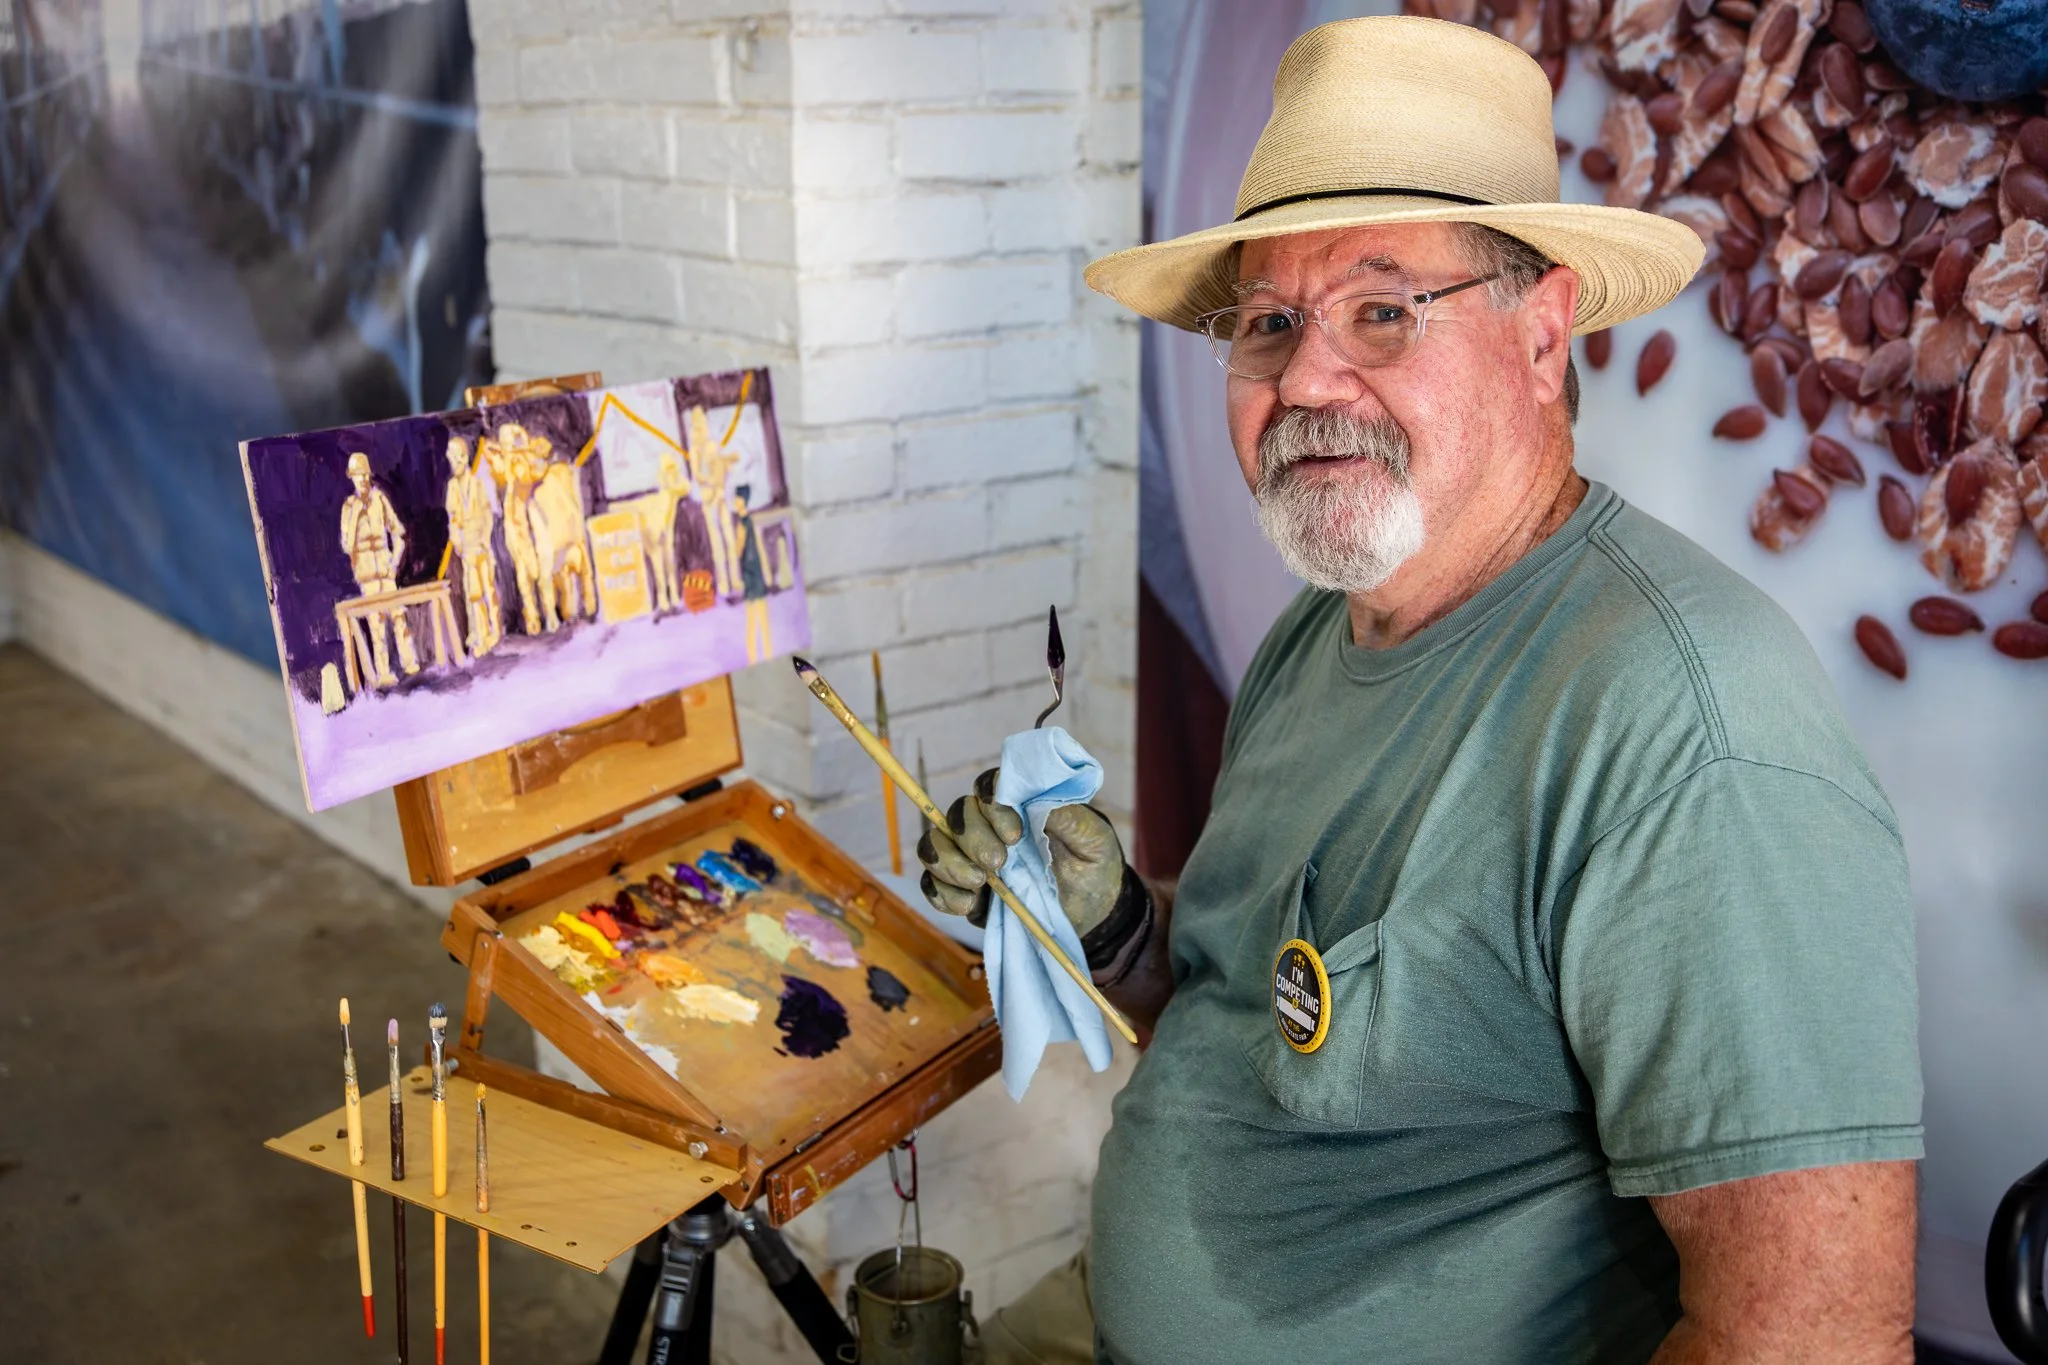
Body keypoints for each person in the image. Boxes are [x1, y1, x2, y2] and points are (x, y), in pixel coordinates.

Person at [919, 17, 1922, 1365]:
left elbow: (1812, 1343)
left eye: (1383, 310)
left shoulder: (1685, 726)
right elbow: (1252, 1014)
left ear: (1544, 334)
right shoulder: (1318, 635)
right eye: (1267, 323)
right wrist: (1110, 928)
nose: (1307, 379)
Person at [339, 450, 419, 687]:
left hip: (385, 571)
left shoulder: (380, 499)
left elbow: (399, 533)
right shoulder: (349, 507)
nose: (362, 479)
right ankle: (384, 673)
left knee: (398, 617)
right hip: (367, 576)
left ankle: (409, 662)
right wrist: (354, 517)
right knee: (377, 625)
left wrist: (395, 562)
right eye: (358, 475)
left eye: (365, 474)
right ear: (351, 478)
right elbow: (346, 545)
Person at [442, 435, 503, 657]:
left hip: (482, 545)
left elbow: (487, 515)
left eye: (456, 460)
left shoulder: (477, 484)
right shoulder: (452, 487)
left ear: (465, 458)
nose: (454, 465)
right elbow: (453, 520)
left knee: (489, 589)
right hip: (467, 548)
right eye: (451, 461)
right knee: (473, 594)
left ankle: (496, 632)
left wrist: (485, 541)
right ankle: (480, 636)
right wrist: (458, 542)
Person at [730, 483, 772, 662]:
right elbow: (760, 547)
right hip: (756, 571)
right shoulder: (751, 521)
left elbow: (738, 550)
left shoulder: (742, 524)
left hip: (748, 572)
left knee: (752, 620)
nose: (734, 501)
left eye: (737, 498)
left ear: (742, 501)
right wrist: (766, 570)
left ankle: (753, 656)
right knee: (762, 618)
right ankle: (767, 653)